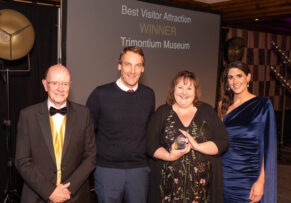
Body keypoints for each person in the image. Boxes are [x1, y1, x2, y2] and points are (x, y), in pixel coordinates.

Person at [15, 64, 97, 203]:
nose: (60, 88)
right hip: (37, 196)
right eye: (55, 83)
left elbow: (90, 157)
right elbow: (22, 161)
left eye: (65, 83)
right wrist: (49, 191)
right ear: (45, 85)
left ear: (70, 85)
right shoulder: (28, 115)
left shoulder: (84, 114)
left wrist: (67, 190)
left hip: (74, 196)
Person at [147, 70, 229, 203]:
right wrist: (169, 156)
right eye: (180, 87)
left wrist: (197, 146)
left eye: (189, 88)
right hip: (167, 191)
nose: (184, 92)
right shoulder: (161, 113)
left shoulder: (207, 111)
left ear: (195, 91)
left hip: (201, 191)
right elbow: (150, 145)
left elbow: (223, 141)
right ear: (173, 90)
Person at [86, 46, 155, 203]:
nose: (132, 70)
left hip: (139, 170)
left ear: (143, 68)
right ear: (119, 66)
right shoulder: (100, 94)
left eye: (137, 65)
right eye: (127, 64)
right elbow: (88, 132)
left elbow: (149, 131)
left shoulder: (149, 95)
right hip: (107, 170)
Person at [219, 61, 277, 203]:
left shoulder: (262, 105)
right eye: (230, 77)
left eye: (239, 76)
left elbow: (269, 148)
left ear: (248, 77)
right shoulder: (223, 106)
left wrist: (261, 181)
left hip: (249, 178)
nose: (235, 81)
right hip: (225, 175)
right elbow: (219, 141)